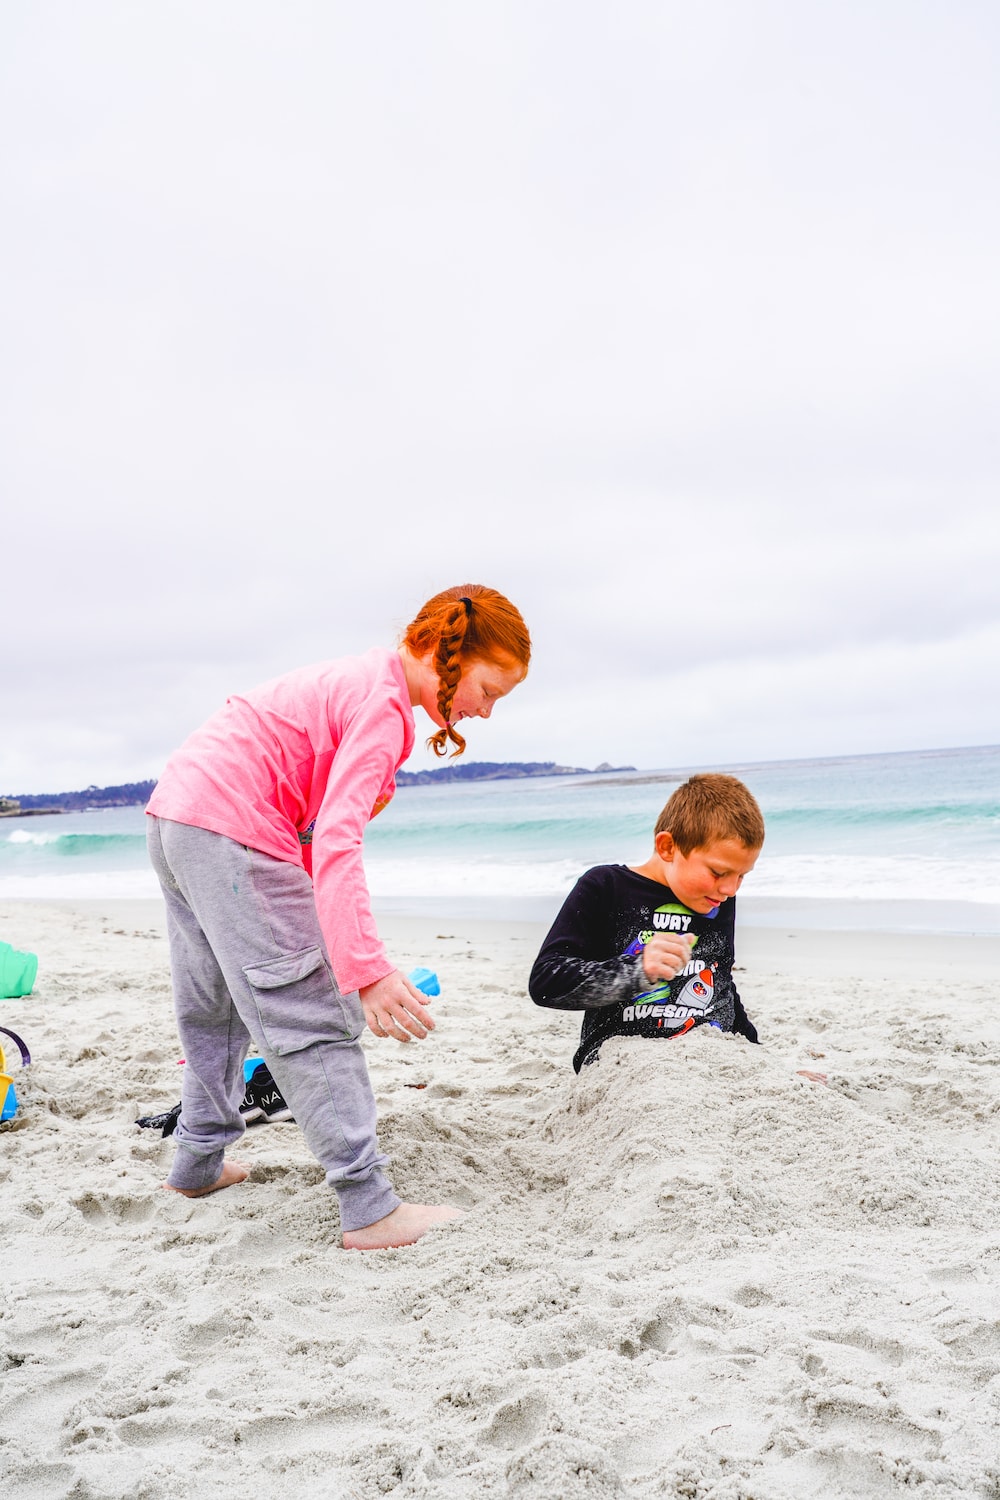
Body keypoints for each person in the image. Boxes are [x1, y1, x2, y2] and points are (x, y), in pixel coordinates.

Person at [146, 585, 530, 1249]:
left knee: (214, 1009)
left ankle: (195, 1165)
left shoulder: (359, 681)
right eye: (488, 690)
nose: (486, 712)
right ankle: (369, 1206)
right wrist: (364, 969)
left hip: (179, 814)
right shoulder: (382, 709)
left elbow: (306, 828)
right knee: (312, 1012)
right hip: (232, 828)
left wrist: (321, 937)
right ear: (442, 651)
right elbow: (337, 840)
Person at [529, 773, 763, 1072]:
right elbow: (546, 983)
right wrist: (637, 970)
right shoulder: (606, 887)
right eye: (718, 873)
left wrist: (761, 1061)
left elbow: (721, 986)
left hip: (712, 1064)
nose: (731, 889)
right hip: (624, 1069)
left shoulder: (718, 899)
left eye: (741, 875)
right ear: (667, 847)